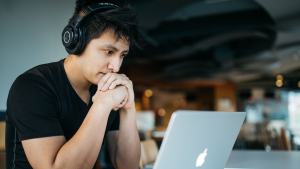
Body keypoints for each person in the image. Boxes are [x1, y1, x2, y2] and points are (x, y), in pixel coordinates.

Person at [5, 0, 143, 168]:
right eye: (109, 52)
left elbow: (128, 166)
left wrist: (128, 109)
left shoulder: (107, 87)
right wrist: (102, 104)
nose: (116, 66)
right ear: (77, 42)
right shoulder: (32, 87)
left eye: (122, 55)